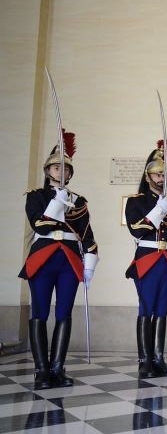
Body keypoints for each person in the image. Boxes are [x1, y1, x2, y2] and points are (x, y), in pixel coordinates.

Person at [19, 131, 98, 389]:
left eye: (66, 168)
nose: (62, 172)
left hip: (69, 260)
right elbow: (40, 225)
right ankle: (41, 370)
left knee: (64, 312)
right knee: (40, 312)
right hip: (44, 257)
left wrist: (90, 264)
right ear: (48, 170)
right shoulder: (36, 196)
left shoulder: (79, 201)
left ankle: (57, 368)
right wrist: (57, 201)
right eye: (57, 167)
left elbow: (87, 234)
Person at [124, 140, 167, 379]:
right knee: (146, 308)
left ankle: (158, 358)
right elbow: (136, 230)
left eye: (164, 174)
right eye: (157, 174)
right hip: (148, 259)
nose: (162, 178)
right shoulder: (136, 201)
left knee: (161, 309)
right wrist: (158, 210)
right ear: (148, 175)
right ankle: (145, 361)